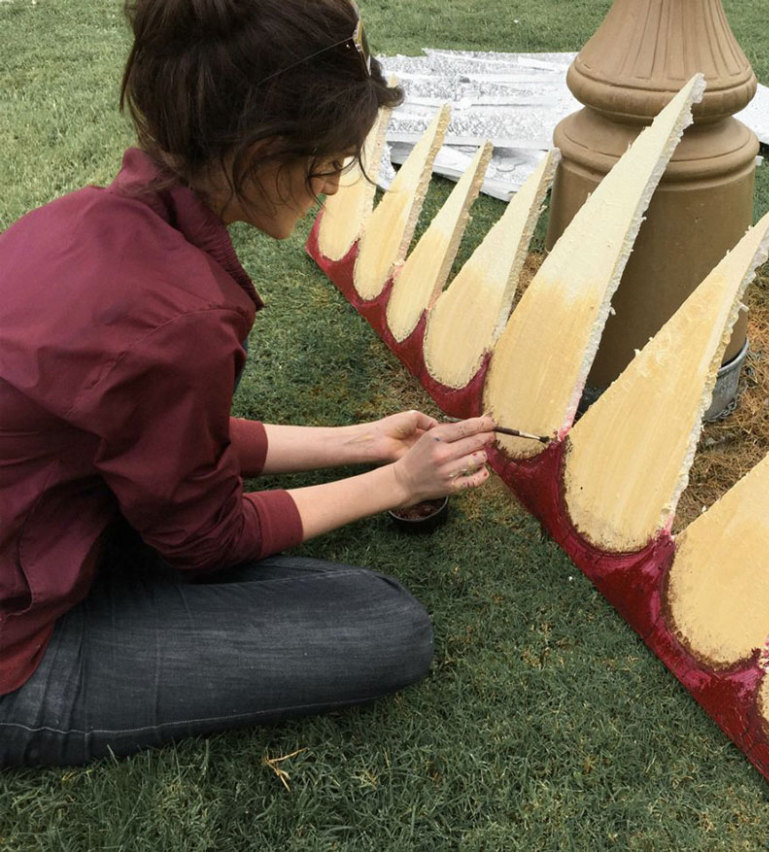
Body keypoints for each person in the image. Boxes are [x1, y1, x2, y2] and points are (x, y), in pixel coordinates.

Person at [0, 0, 495, 767]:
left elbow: (147, 435)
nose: (331, 188)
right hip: (14, 652)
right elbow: (206, 538)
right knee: (384, 626)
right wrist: (395, 482)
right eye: (327, 164)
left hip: (37, 529)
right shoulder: (177, 317)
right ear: (264, 152)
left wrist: (356, 443)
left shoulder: (77, 221)